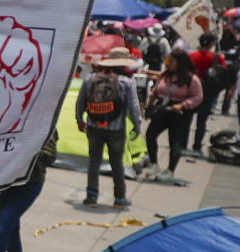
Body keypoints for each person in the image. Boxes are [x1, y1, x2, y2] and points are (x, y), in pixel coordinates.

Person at [74, 48, 141, 209]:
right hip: (116, 130)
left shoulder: (91, 78)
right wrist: (137, 126)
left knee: (94, 161)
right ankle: (119, 198)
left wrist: (79, 119)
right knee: (117, 163)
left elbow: (80, 101)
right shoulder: (127, 82)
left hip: (93, 126)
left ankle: (91, 197)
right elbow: (134, 107)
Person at [140, 49, 202, 183]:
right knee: (150, 134)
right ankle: (153, 163)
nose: (168, 64)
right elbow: (155, 91)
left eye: (171, 61)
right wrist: (149, 107)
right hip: (162, 107)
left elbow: (198, 96)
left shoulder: (191, 79)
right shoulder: (165, 75)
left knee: (175, 141)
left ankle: (170, 170)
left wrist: (183, 104)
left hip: (179, 112)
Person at [188, 34, 223, 152]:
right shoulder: (217, 58)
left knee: (186, 121)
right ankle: (197, 146)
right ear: (211, 43)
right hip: (208, 92)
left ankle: (182, 145)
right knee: (201, 122)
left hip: (190, 92)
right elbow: (224, 73)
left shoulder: (191, 56)